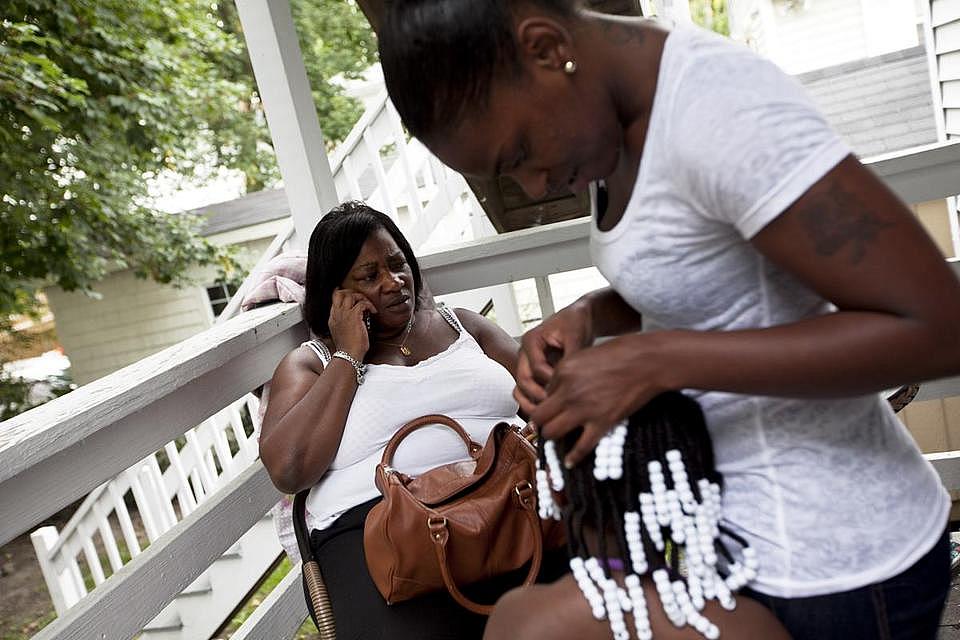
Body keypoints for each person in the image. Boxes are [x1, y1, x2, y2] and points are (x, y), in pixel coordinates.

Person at [378, 3, 960, 638]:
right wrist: (592, 314)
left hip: (832, 566)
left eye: (519, 152)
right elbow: (717, 269)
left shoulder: (720, 113)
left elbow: (938, 328)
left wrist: (655, 362)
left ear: (546, 47)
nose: (535, 183)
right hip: (723, 535)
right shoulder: (612, 112)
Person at [258, 201, 564, 639]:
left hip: (510, 502)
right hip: (382, 536)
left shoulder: (464, 326)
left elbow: (550, 401)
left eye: (397, 263)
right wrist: (349, 355)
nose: (394, 281)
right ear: (335, 294)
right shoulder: (313, 364)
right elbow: (290, 469)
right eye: (368, 276)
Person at [485, 391, 791, 640]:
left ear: (556, 490)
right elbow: (679, 560)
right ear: (697, 484)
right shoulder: (747, 625)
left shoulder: (519, 619)